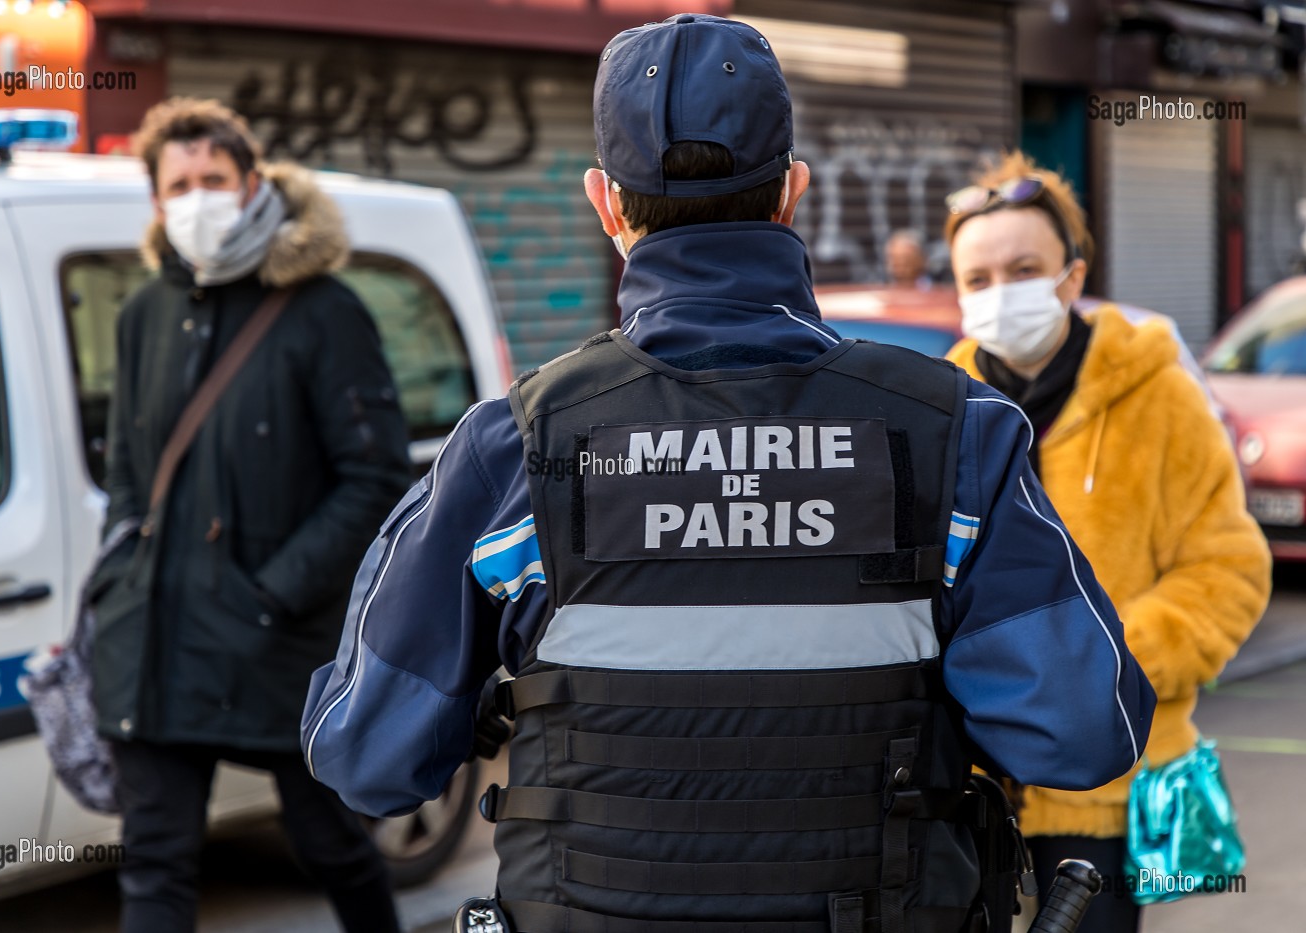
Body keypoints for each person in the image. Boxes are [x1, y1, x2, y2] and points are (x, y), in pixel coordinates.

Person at [303, 16, 1154, 933]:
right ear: (793, 192)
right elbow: (1081, 727)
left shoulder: (507, 449)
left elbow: (366, 757)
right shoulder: (959, 436)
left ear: (605, 203)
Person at [94, 97, 410, 932]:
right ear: (157, 201)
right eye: (179, 184)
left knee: (330, 842)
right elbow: (128, 472)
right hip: (156, 641)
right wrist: (115, 584)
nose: (197, 198)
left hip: (277, 644)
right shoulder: (143, 315)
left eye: (215, 179)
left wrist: (270, 594)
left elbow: (374, 476)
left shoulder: (322, 310)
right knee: (154, 864)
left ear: (252, 183)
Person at [943, 152, 1272, 932]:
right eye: (978, 279)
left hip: (1112, 775)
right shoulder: (944, 407)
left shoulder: (1158, 392)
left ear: (1072, 275)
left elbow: (1228, 568)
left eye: (1024, 268)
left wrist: (1108, 665)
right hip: (977, 779)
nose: (1001, 293)